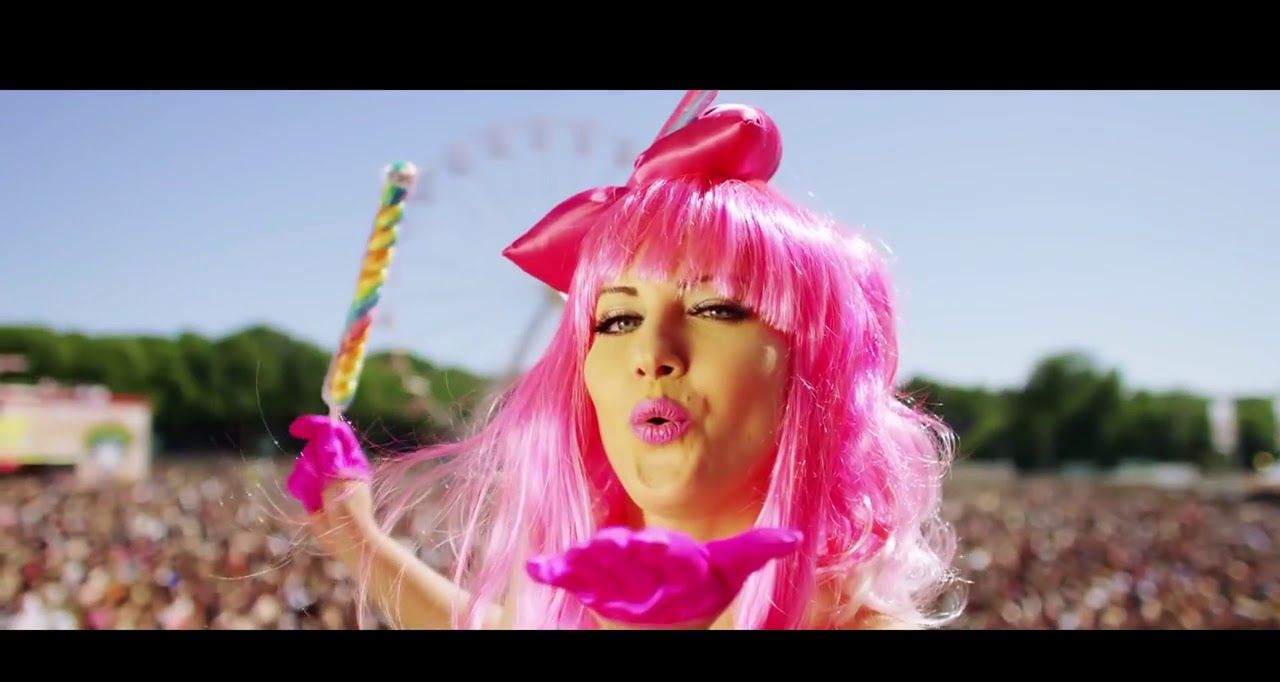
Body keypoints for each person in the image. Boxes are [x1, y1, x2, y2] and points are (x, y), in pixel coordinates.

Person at [286, 94, 964, 630]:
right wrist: (356, 538)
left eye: (716, 308)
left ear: (816, 367)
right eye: (616, 319)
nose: (652, 354)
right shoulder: (575, 594)